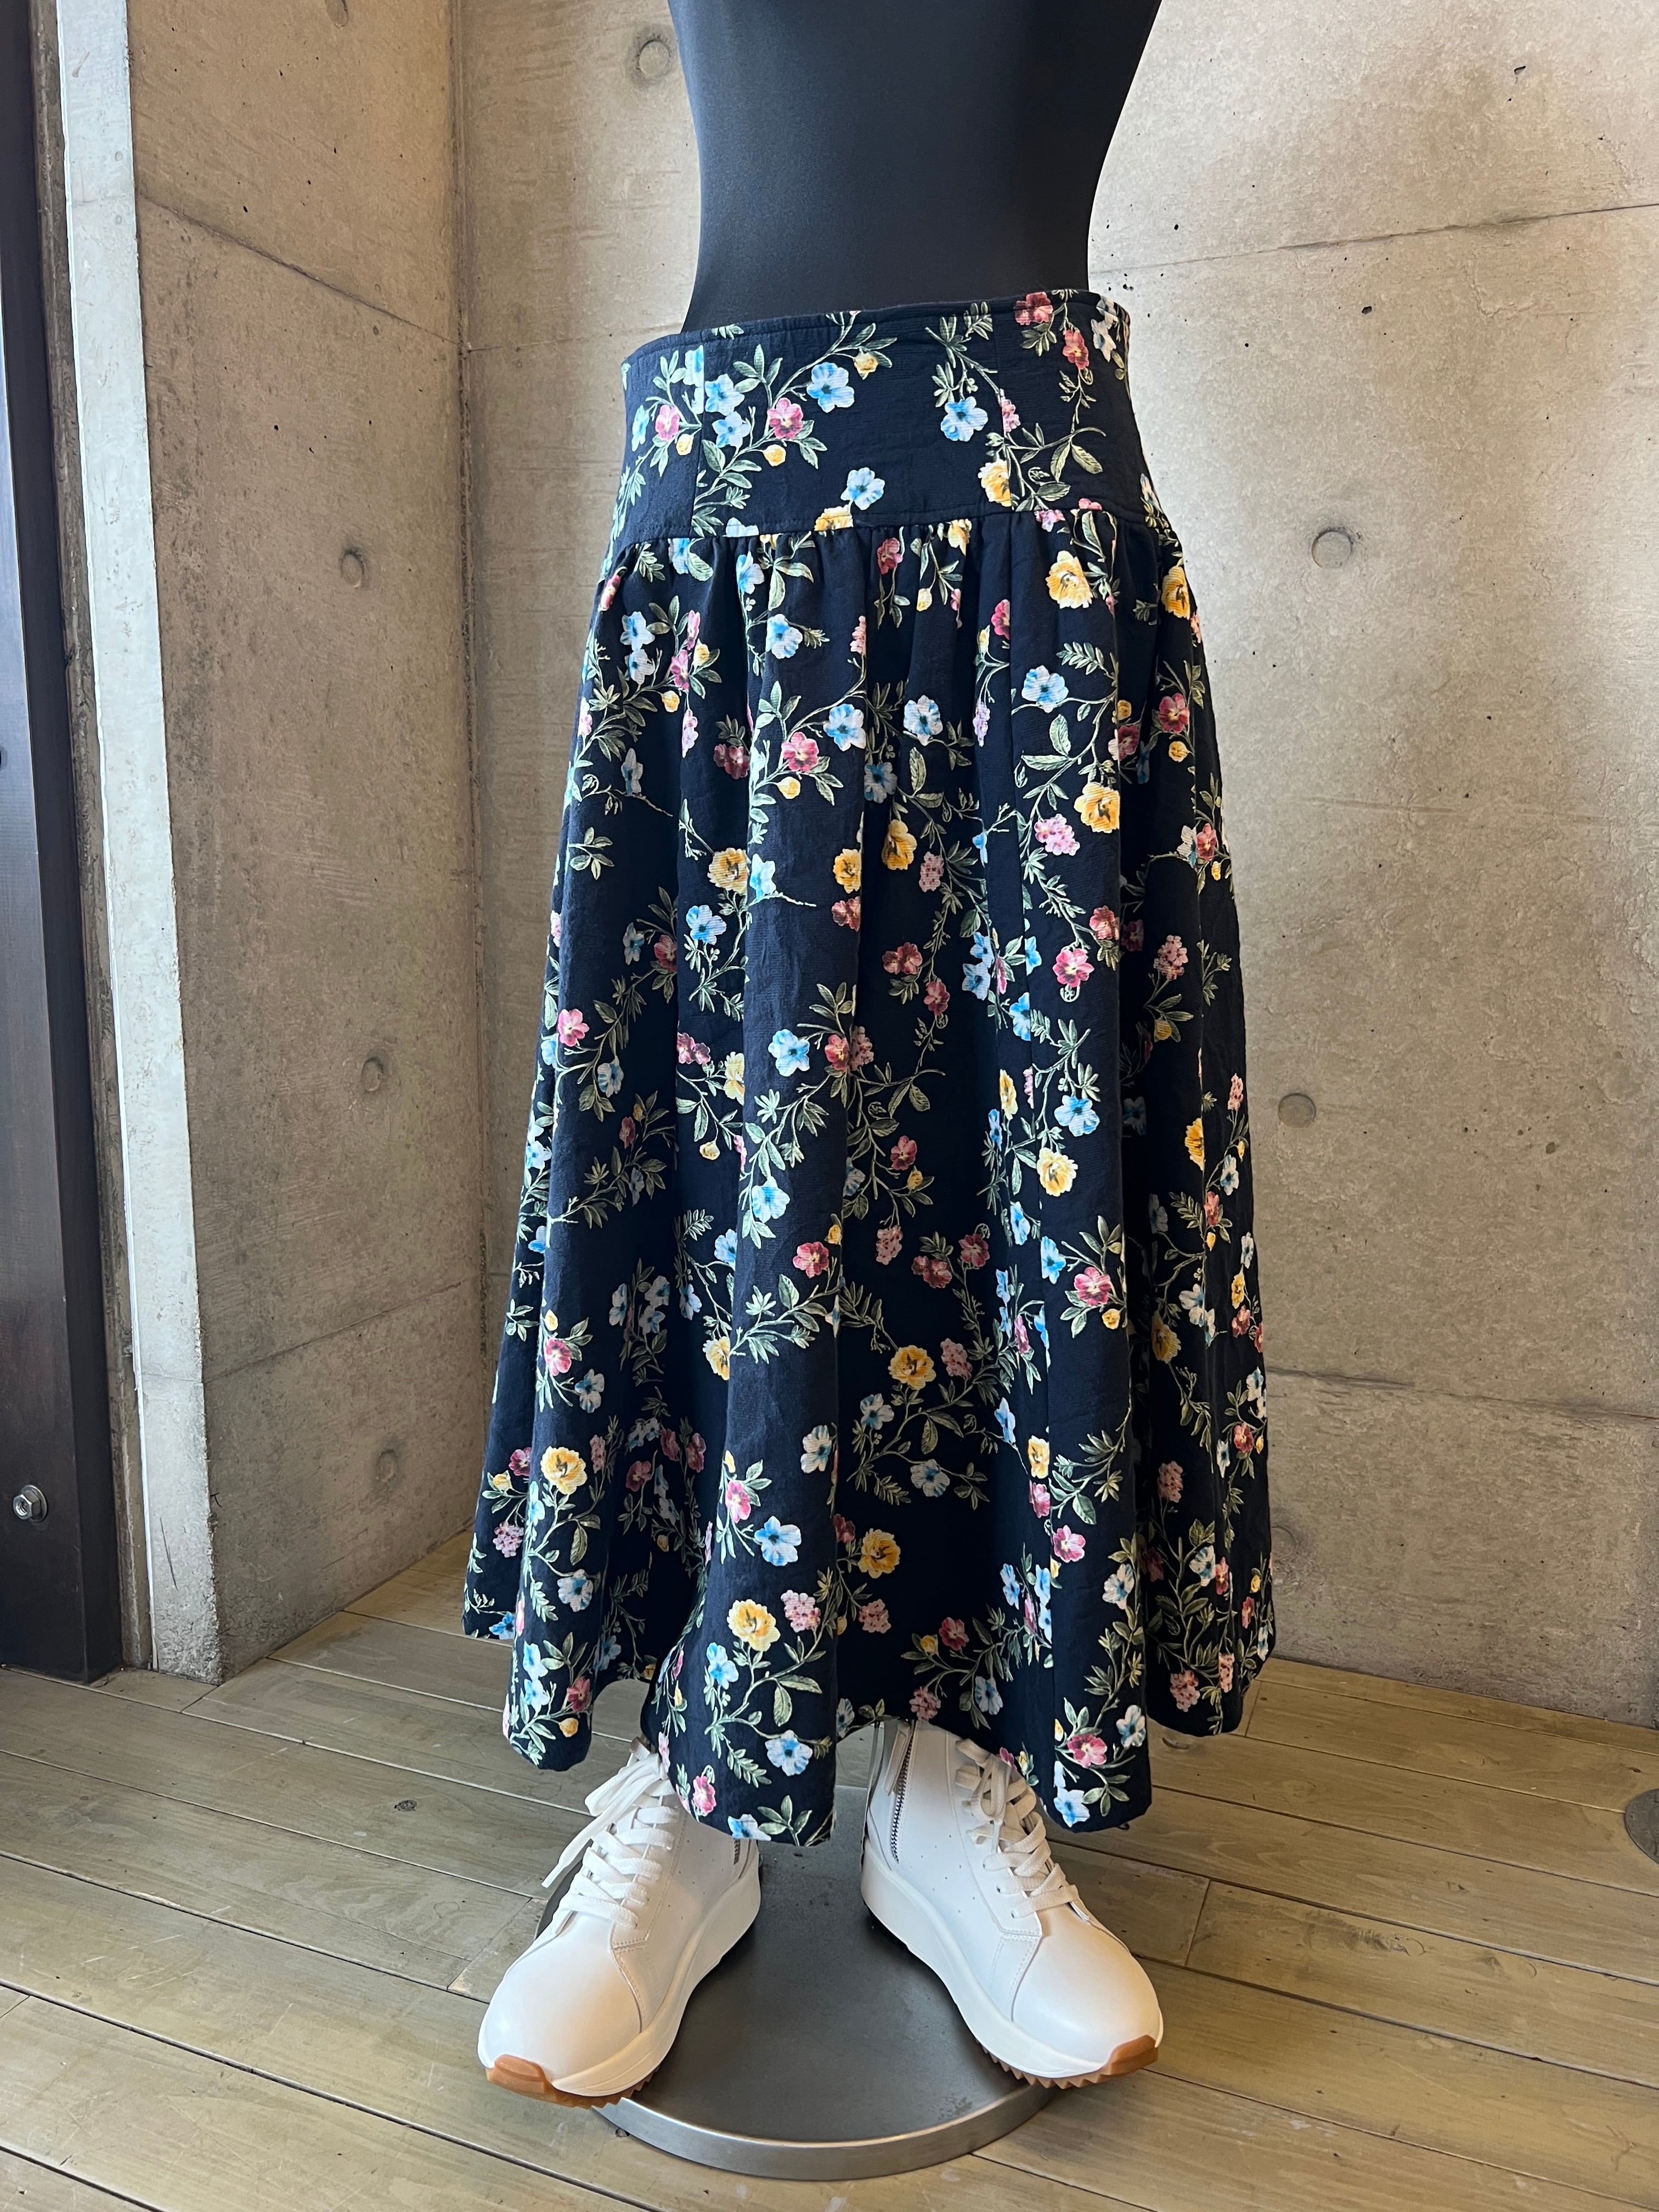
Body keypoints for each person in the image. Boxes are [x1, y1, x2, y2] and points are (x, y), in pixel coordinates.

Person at [465, 0, 1273, 2108]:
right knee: (720, 1165)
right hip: (729, 543)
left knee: (1019, 1167)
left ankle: (950, 1773)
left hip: (1028, 533)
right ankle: (702, 1786)